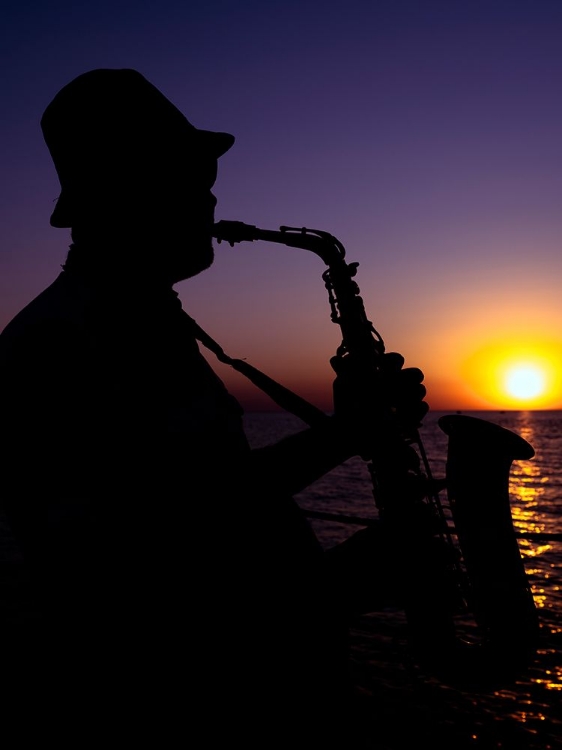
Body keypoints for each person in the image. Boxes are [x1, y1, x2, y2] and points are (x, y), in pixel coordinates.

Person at [0, 69, 428, 742]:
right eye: (192, 181)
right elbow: (124, 587)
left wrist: (349, 431)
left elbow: (204, 498)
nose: (212, 199)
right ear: (127, 190)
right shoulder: (58, 345)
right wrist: (332, 591)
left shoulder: (140, 321)